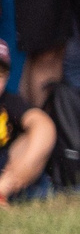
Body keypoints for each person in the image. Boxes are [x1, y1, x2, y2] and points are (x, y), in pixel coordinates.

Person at [0, 43, 57, 203]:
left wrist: (10, 179)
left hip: (10, 173)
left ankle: (2, 191)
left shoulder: (9, 102)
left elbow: (42, 124)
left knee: (38, 133)